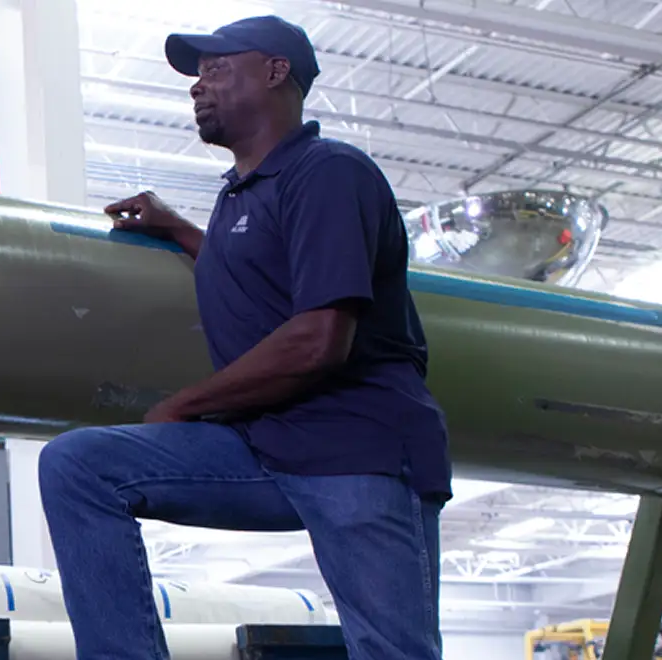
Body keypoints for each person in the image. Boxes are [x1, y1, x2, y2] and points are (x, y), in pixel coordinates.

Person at [37, 15, 448, 659]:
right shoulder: (240, 197)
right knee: (79, 465)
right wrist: (178, 230)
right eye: (197, 77)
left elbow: (319, 340)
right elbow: (253, 273)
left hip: (356, 450)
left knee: (392, 650)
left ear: (276, 72)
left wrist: (184, 405)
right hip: (265, 448)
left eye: (216, 69)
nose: (198, 87)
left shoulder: (328, 173)